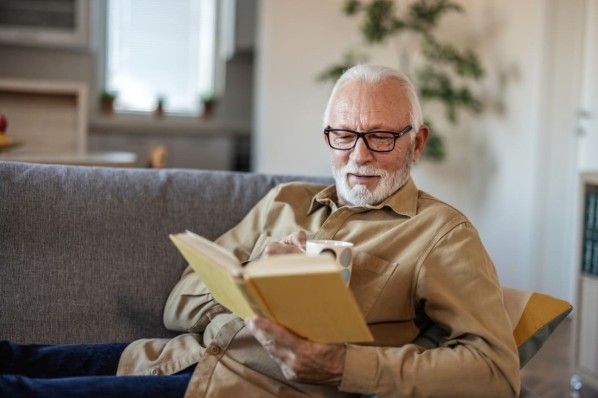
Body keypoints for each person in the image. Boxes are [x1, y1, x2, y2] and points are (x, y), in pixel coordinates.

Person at [0, 64, 520, 397]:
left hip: (241, 390)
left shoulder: (442, 234)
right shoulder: (286, 201)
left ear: (417, 141)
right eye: (344, 134)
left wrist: (341, 365)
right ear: (327, 136)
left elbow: (496, 372)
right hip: (172, 358)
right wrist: (256, 275)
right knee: (14, 357)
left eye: (382, 137)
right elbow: (178, 307)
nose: (359, 155)